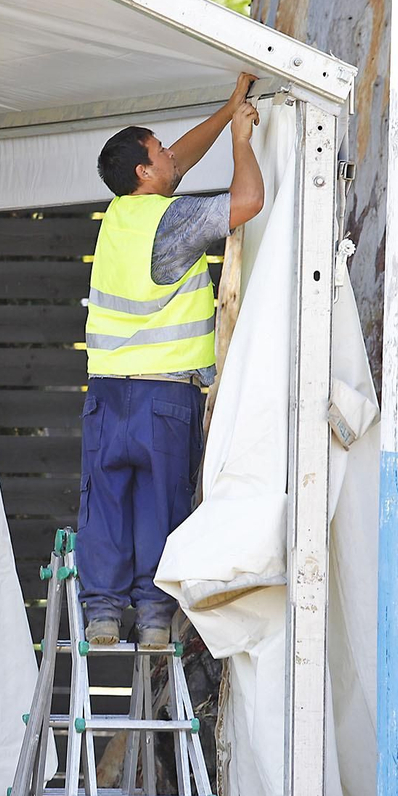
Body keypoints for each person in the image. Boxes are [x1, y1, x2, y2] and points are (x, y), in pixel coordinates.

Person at [79, 73, 265, 650]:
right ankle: (156, 620)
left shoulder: (119, 217)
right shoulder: (174, 221)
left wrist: (227, 106)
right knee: (162, 506)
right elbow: (249, 201)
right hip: (166, 400)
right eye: (159, 152)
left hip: (108, 396)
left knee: (104, 506)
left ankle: (103, 615)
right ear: (144, 173)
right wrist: (240, 140)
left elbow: (179, 158)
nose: (171, 156)